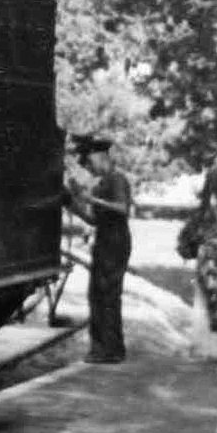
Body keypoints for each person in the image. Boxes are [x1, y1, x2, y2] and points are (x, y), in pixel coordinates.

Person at [65, 134, 133, 364]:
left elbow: (122, 208)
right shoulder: (101, 184)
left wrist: (92, 200)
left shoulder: (117, 179)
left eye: (90, 163)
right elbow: (93, 220)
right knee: (96, 294)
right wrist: (72, 202)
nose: (89, 168)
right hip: (104, 240)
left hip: (116, 241)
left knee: (108, 294)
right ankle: (101, 348)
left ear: (101, 157)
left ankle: (111, 350)